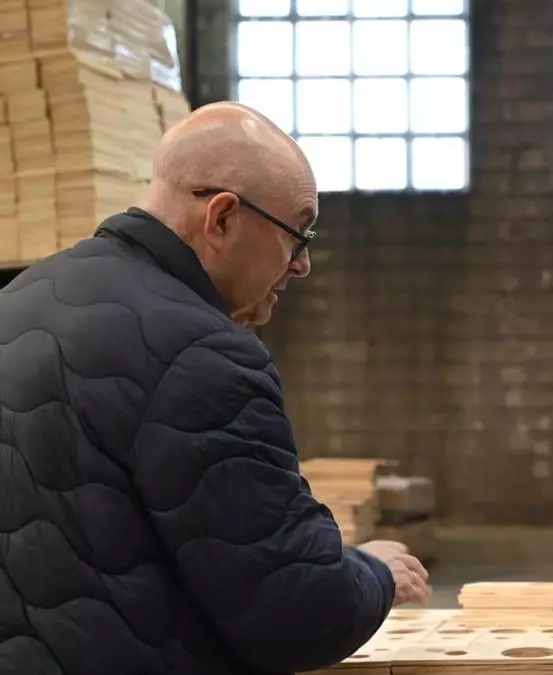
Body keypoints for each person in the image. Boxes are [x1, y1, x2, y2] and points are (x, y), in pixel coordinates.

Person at [0, 101, 430, 674]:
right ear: (223, 218)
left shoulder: (16, 302)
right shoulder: (203, 357)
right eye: (297, 235)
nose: (301, 266)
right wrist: (373, 573)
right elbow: (299, 616)